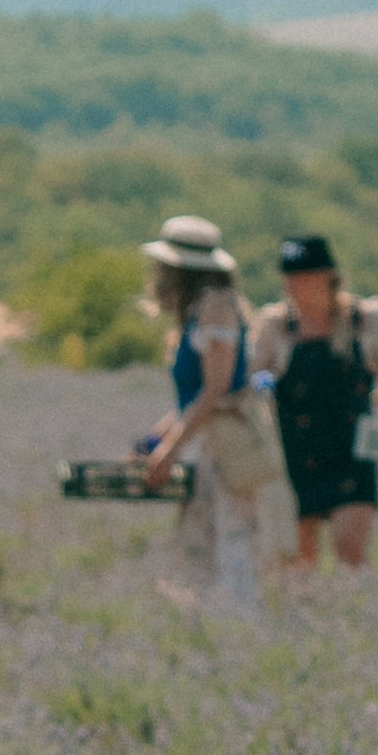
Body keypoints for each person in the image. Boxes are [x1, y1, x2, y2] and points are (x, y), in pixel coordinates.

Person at [250, 231, 378, 571]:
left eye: (304, 277)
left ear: (327, 276)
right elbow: (252, 373)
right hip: (295, 454)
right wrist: (259, 379)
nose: (295, 286)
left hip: (352, 452)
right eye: (290, 278)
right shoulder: (276, 325)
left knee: (351, 552)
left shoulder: (364, 319)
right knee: (299, 562)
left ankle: (355, 614)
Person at [133, 213, 275, 616]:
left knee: (227, 542)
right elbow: (191, 399)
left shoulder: (215, 308)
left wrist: (171, 450)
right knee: (199, 544)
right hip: (205, 444)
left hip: (224, 450)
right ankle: (209, 629)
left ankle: (233, 631)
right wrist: (154, 442)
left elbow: (215, 388)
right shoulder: (200, 310)